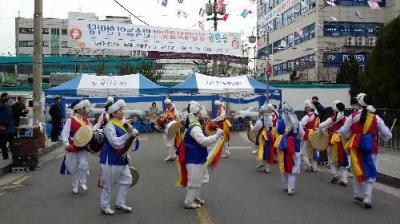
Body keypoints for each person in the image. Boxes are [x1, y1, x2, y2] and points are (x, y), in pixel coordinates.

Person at [338, 93, 392, 209]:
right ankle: (368, 197)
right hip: (370, 146)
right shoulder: (376, 117)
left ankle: (358, 194)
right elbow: (385, 133)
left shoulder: (352, 117)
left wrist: (350, 135)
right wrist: (388, 136)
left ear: (359, 104)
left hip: (356, 146)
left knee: (358, 169)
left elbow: (343, 131)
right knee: (371, 170)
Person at [178, 101, 223, 209]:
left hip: (197, 156)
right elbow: (203, 141)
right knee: (194, 180)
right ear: (196, 114)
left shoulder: (195, 125)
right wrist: (217, 135)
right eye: (199, 111)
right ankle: (188, 202)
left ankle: (195, 196)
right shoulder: (195, 128)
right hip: (193, 157)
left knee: (200, 177)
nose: (202, 113)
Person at [99, 99, 139, 215]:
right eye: (120, 111)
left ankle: (120, 203)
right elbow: (115, 143)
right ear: (114, 113)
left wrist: (132, 136)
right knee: (108, 184)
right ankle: (104, 206)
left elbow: (127, 141)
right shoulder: (109, 126)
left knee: (127, 180)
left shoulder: (122, 124)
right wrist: (128, 135)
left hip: (122, 158)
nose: (122, 112)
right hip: (111, 159)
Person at [61, 99, 92, 194]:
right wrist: (66, 144)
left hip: (83, 146)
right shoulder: (70, 120)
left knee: (83, 165)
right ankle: (75, 185)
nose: (85, 110)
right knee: (73, 167)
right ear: (78, 109)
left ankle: (83, 182)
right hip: (73, 146)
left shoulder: (86, 120)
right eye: (83, 108)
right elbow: (64, 133)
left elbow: (91, 131)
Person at [274, 102, 304, 195]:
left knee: (283, 164)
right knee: (294, 165)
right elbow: (302, 134)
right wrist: (298, 140)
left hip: (283, 145)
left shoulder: (280, 121)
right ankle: (291, 188)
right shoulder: (297, 122)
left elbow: (277, 131)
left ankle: (286, 186)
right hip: (294, 145)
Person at [318, 100, 349, 186]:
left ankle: (335, 174)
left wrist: (320, 133)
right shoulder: (346, 119)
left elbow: (320, 126)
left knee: (331, 159)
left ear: (334, 109)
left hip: (332, 141)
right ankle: (344, 179)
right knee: (343, 159)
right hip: (342, 141)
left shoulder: (331, 119)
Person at [249, 104, 275, 173]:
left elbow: (253, 130)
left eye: (259, 112)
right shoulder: (269, 119)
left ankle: (260, 162)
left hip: (261, 138)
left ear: (261, 113)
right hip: (269, 137)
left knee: (256, 151)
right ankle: (267, 168)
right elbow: (271, 127)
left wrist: (251, 124)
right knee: (267, 151)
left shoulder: (260, 121)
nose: (258, 113)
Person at [300, 99, 320, 172]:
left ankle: (308, 165)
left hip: (308, 134)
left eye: (307, 107)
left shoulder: (307, 116)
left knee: (303, 151)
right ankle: (314, 167)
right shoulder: (317, 116)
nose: (306, 109)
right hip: (315, 134)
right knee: (314, 150)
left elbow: (301, 124)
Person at [0, 93, 15, 160]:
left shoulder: (6, 107)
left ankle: (5, 156)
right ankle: (14, 156)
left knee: (3, 143)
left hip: (3, 128)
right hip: (8, 128)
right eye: (8, 98)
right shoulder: (7, 108)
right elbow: (7, 118)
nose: (10, 100)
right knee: (11, 143)